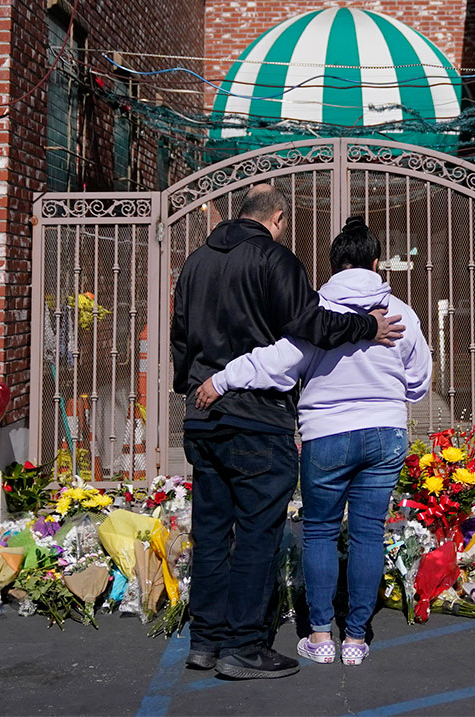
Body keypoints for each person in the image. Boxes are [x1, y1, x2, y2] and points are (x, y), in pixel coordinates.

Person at [171, 184, 404, 682]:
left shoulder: (194, 263)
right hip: (257, 417)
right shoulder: (274, 259)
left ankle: (205, 641)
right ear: (276, 218)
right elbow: (308, 325)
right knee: (257, 532)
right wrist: (366, 328)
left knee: (211, 532)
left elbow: (180, 336)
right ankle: (245, 647)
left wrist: (191, 385)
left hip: (204, 412)